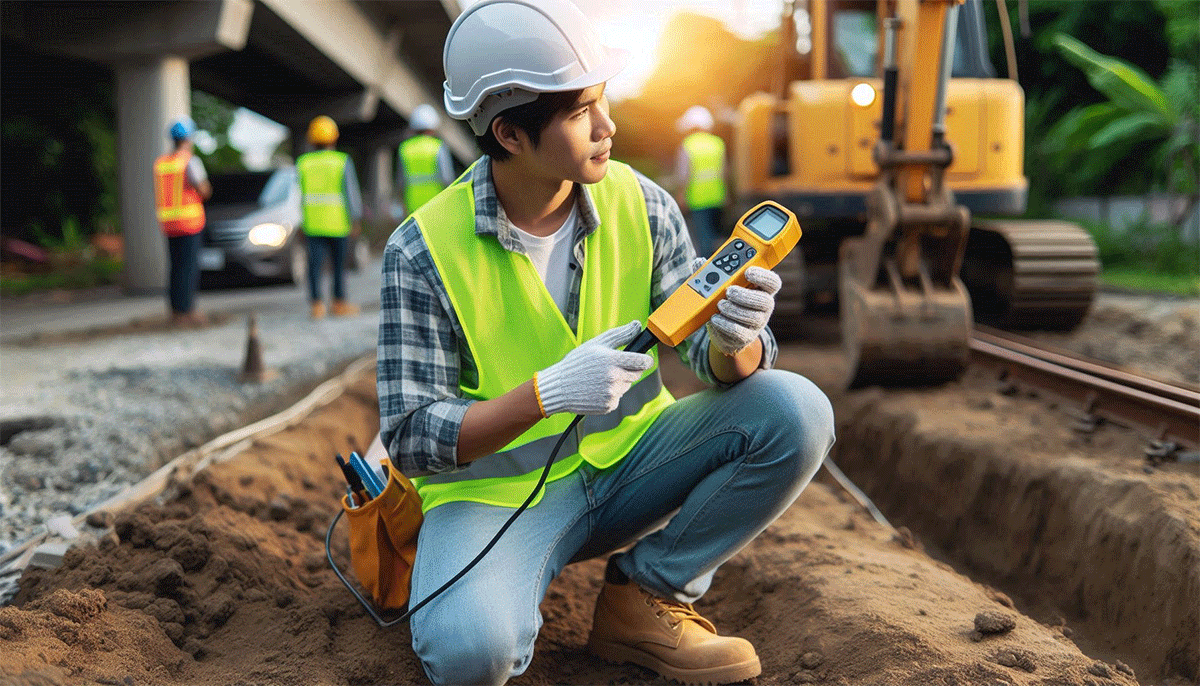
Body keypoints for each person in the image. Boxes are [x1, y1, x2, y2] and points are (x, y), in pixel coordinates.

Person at [376, 1, 835, 684]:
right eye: (579, 111)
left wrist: (737, 338)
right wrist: (544, 394)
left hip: (630, 468)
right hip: (498, 498)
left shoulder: (643, 203)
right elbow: (411, 435)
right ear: (509, 133)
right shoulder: (420, 252)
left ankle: (644, 597)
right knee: (472, 653)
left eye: (603, 99)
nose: (607, 125)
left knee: (794, 410)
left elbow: (709, 357)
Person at [296, 115, 363, 319]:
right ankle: (339, 303)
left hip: (313, 223)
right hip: (338, 223)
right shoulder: (342, 161)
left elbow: (297, 195)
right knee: (338, 266)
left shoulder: (303, 163)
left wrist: (299, 221)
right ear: (334, 138)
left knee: (314, 267)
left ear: (311, 139)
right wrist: (356, 218)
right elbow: (351, 192)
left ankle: (317, 305)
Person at [153, 117, 212, 327]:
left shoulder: (162, 163)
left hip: (169, 225)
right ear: (188, 138)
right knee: (188, 268)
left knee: (175, 268)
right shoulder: (190, 161)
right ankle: (187, 311)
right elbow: (203, 189)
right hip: (189, 224)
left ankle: (175, 310)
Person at [675, 105, 729, 256]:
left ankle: (708, 273)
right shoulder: (718, 143)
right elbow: (724, 172)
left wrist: (681, 195)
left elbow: (683, 174)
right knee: (716, 237)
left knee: (704, 239)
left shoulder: (687, 144)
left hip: (697, 199)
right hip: (717, 197)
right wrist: (726, 195)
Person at [397, 103, 455, 216]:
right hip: (436, 206)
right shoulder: (438, 147)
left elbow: (400, 182)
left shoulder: (405, 148)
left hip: (412, 208)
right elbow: (447, 179)